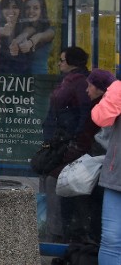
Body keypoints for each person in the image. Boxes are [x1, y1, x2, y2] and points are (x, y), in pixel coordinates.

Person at [51, 69, 114, 245]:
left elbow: (87, 137)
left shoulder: (101, 108)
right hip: (102, 165)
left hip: (99, 166)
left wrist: (66, 159)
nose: (87, 90)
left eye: (90, 86)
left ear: (100, 88)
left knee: (83, 203)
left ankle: (80, 244)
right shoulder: (100, 105)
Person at [41, 46, 91, 242]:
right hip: (62, 141)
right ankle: (57, 232)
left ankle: (57, 234)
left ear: (71, 62)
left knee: (56, 185)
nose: (59, 63)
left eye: (62, 60)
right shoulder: (71, 81)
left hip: (67, 144)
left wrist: (74, 143)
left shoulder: (77, 83)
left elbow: (83, 115)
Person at [88, 74, 121, 265]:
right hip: (116, 177)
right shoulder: (119, 89)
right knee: (110, 239)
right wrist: (117, 91)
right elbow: (100, 117)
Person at [14, 0, 55, 75]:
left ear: (42, 11)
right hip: (20, 78)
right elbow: (25, 33)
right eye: (27, 8)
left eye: (35, 8)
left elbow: (40, 36)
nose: (31, 11)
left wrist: (30, 43)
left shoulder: (50, 30)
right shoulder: (23, 28)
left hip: (39, 79)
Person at [0, 0, 30, 74]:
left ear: (20, 10)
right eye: (6, 7)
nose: (10, 11)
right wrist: (2, 31)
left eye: (15, 7)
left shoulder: (25, 26)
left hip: (22, 75)